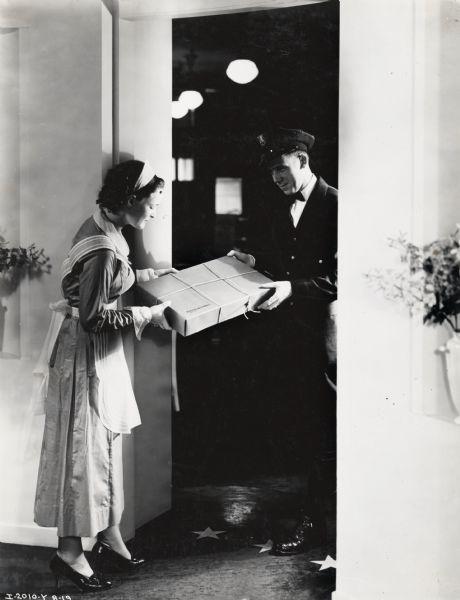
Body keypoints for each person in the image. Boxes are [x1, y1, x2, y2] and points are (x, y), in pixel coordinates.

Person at [34, 160, 174, 592]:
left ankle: (109, 535)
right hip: (85, 354)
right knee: (82, 452)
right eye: (151, 205)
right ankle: (69, 553)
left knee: (105, 445)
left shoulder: (108, 228)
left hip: (99, 353)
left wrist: (147, 275)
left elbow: (105, 282)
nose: (154, 213)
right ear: (131, 200)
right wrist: (147, 313)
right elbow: (94, 317)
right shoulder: (101, 247)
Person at [228, 128, 337, 555]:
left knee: (323, 432)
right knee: (303, 430)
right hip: (288, 337)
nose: (276, 178)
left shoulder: (336, 204)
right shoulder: (280, 206)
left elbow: (338, 278)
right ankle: (311, 516)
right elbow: (287, 259)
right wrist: (255, 262)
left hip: (326, 335)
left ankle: (320, 526)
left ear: (303, 161)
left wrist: (291, 288)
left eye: (281, 168)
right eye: (271, 171)